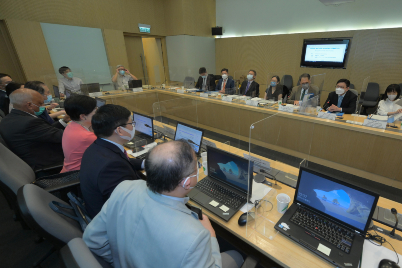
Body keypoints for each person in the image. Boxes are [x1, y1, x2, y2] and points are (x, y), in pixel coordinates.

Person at [83, 140, 244, 268]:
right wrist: (211, 237)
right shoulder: (195, 236)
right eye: (197, 167)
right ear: (187, 183)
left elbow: (93, 240)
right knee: (237, 255)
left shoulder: (123, 188)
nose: (198, 169)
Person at [80, 104, 144, 218]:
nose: (133, 127)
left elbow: (123, 160)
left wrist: (145, 163)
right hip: (112, 221)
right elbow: (127, 207)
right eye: (131, 124)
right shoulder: (112, 166)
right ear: (119, 130)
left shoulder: (99, 146)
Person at [0, 88, 66, 170]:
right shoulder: (29, 122)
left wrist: (64, 121)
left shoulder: (8, 118)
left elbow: (47, 132)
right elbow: (63, 137)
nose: (43, 106)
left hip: (32, 159)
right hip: (49, 165)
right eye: (40, 103)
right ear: (29, 105)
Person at [61, 95, 97, 173]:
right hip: (78, 176)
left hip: (68, 171)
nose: (97, 112)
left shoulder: (71, 125)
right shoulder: (87, 137)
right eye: (95, 110)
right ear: (83, 116)